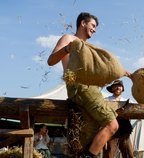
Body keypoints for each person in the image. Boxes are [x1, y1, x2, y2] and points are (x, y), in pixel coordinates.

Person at [48, 12, 130, 158]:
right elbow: (51, 61)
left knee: (111, 126)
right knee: (113, 125)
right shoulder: (69, 38)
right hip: (79, 87)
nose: (95, 29)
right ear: (83, 23)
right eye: (93, 25)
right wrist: (67, 48)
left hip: (91, 89)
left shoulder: (89, 47)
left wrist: (120, 72)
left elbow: (99, 71)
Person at [104, 80, 134, 158]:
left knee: (129, 154)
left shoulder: (128, 101)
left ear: (122, 88)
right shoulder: (106, 100)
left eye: (120, 86)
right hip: (112, 131)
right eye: (115, 86)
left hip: (124, 131)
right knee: (109, 154)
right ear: (112, 88)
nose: (118, 87)